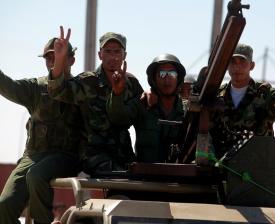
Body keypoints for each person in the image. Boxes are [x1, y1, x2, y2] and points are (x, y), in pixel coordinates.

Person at [0, 38, 83, 224]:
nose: (53, 61)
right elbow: (7, 86)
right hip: (34, 155)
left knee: (37, 175)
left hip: (67, 156)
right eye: (49, 58)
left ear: (71, 60)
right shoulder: (36, 88)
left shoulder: (81, 88)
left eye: (59, 56)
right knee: (4, 205)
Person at [48, 27, 143, 175]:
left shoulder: (132, 84)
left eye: (117, 51)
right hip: (94, 155)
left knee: (140, 180)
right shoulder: (87, 81)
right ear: (100, 55)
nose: (113, 57)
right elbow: (57, 91)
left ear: (125, 55)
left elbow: (143, 114)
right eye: (108, 51)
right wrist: (59, 60)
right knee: (121, 177)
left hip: (124, 155)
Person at [209, 43, 275, 159]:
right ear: (227, 65)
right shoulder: (217, 94)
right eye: (232, 62)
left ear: (251, 66)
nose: (237, 67)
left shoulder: (264, 93)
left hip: (257, 169)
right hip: (222, 168)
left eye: (242, 62)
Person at [107, 53, 186, 163]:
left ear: (179, 78)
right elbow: (118, 120)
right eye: (162, 74)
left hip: (180, 177)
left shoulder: (188, 110)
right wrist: (117, 93)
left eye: (172, 73)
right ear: (153, 79)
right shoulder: (142, 104)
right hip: (145, 176)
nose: (167, 78)